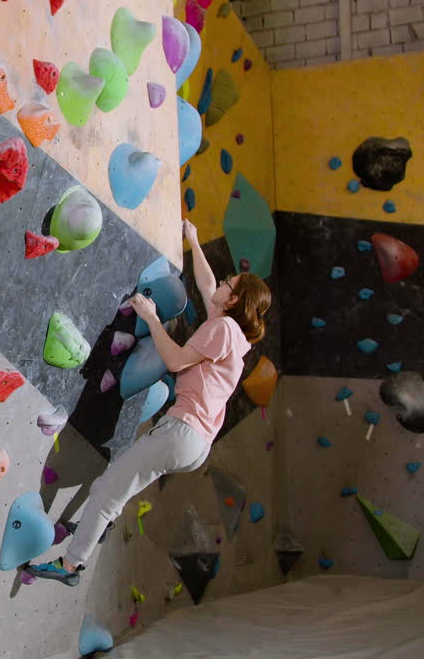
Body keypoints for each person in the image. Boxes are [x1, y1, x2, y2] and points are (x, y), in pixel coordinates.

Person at [27, 219, 271, 585]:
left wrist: (152, 318)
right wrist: (193, 238)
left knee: (107, 491)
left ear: (235, 299)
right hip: (191, 441)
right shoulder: (231, 333)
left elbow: (174, 361)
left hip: (182, 432)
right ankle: (98, 527)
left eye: (229, 284)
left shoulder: (223, 330)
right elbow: (205, 284)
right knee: (115, 489)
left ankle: (71, 565)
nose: (221, 283)